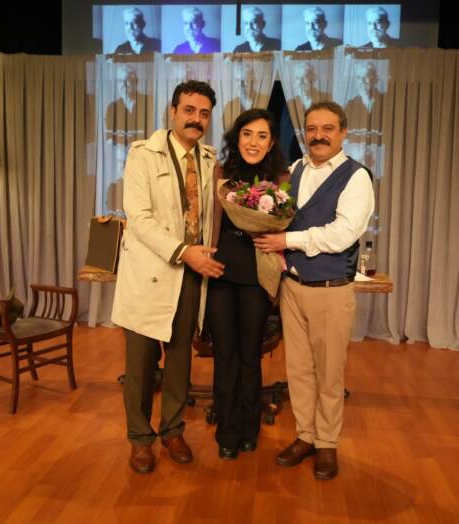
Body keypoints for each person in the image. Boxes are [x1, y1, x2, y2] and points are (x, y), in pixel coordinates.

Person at [254, 102, 374, 480]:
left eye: (327, 128)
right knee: (299, 370)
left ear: (343, 132)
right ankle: (305, 435)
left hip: (330, 289)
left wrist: (287, 240)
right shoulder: (295, 170)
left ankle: (327, 443)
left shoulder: (357, 177)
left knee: (329, 374)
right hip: (292, 287)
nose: (318, 136)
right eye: (311, 129)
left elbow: (342, 234)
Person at [112, 80, 225, 474]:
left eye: (204, 114)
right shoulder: (142, 154)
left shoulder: (209, 159)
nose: (196, 119)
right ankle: (140, 439)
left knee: (179, 360)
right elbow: (139, 218)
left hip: (191, 275)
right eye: (189, 110)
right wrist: (183, 251)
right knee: (141, 366)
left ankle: (173, 430)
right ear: (173, 111)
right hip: (151, 273)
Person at [207, 109, 287, 460]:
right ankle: (226, 431)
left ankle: (249, 428)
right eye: (247, 134)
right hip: (220, 272)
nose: (253, 142)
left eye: (261, 136)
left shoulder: (280, 180)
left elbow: (286, 227)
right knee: (225, 355)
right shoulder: (220, 174)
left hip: (257, 275)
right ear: (236, 137)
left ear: (271, 143)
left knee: (250, 356)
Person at [105, 64, 149, 144]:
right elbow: (109, 138)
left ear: (136, 82)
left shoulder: (148, 103)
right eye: (119, 81)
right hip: (120, 149)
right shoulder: (112, 108)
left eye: (127, 80)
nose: (123, 84)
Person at [344, 60, 381, 130]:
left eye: (366, 77)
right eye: (358, 78)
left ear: (376, 79)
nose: (362, 81)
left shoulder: (386, 103)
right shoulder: (350, 105)